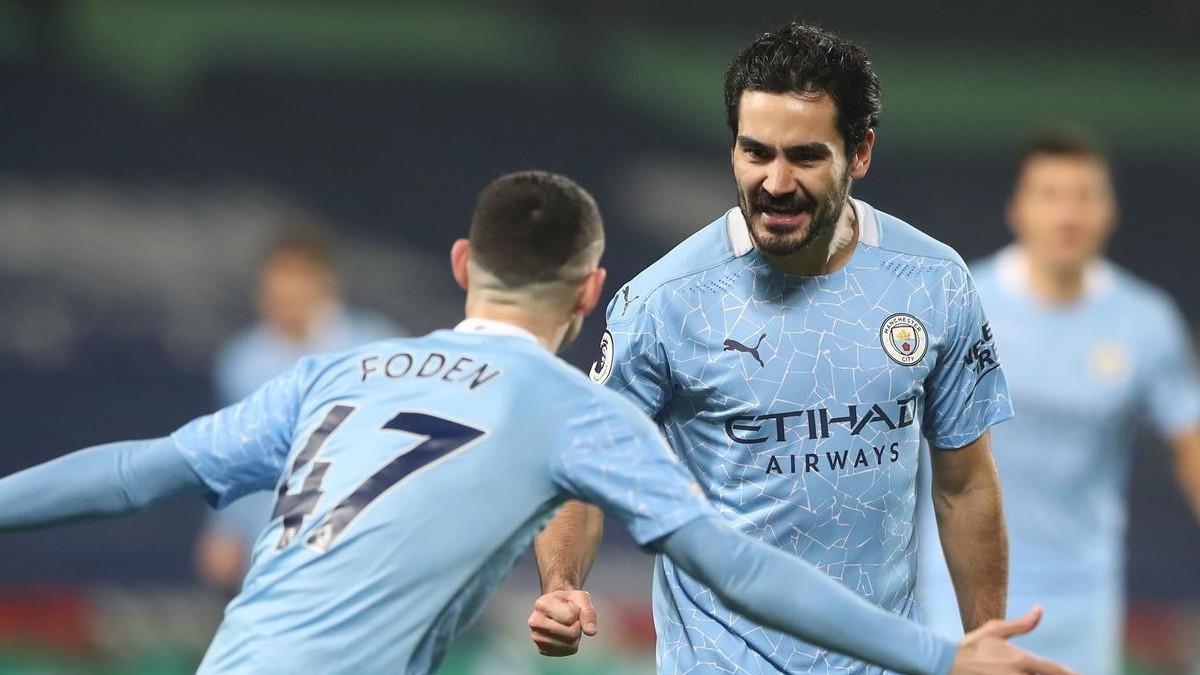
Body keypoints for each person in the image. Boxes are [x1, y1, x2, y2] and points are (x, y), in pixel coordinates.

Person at [0, 171, 1070, 675]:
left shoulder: (340, 369)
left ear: (466, 267)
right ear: (591, 291)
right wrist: (937, 656)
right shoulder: (570, 408)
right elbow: (735, 568)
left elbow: (139, 472)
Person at [530, 23, 1014, 674]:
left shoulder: (933, 282)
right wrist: (561, 584)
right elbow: (583, 471)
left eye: (805, 156)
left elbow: (964, 484)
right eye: (756, 152)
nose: (776, 182)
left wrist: (987, 640)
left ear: (860, 152)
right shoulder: (664, 302)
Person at [915, 129, 1200, 674]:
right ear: (1017, 210)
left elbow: (1191, 447)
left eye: (1084, 195)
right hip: (959, 595)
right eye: (1049, 195)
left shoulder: (1147, 323)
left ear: (1110, 211)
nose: (1067, 214)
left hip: (1084, 601)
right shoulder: (960, 304)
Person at [197, 229, 400, 592]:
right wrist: (223, 530)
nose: (284, 298)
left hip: (358, 544)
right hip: (270, 550)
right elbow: (233, 455)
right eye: (274, 287)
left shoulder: (377, 349)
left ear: (325, 284)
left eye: (296, 283)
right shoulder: (242, 361)